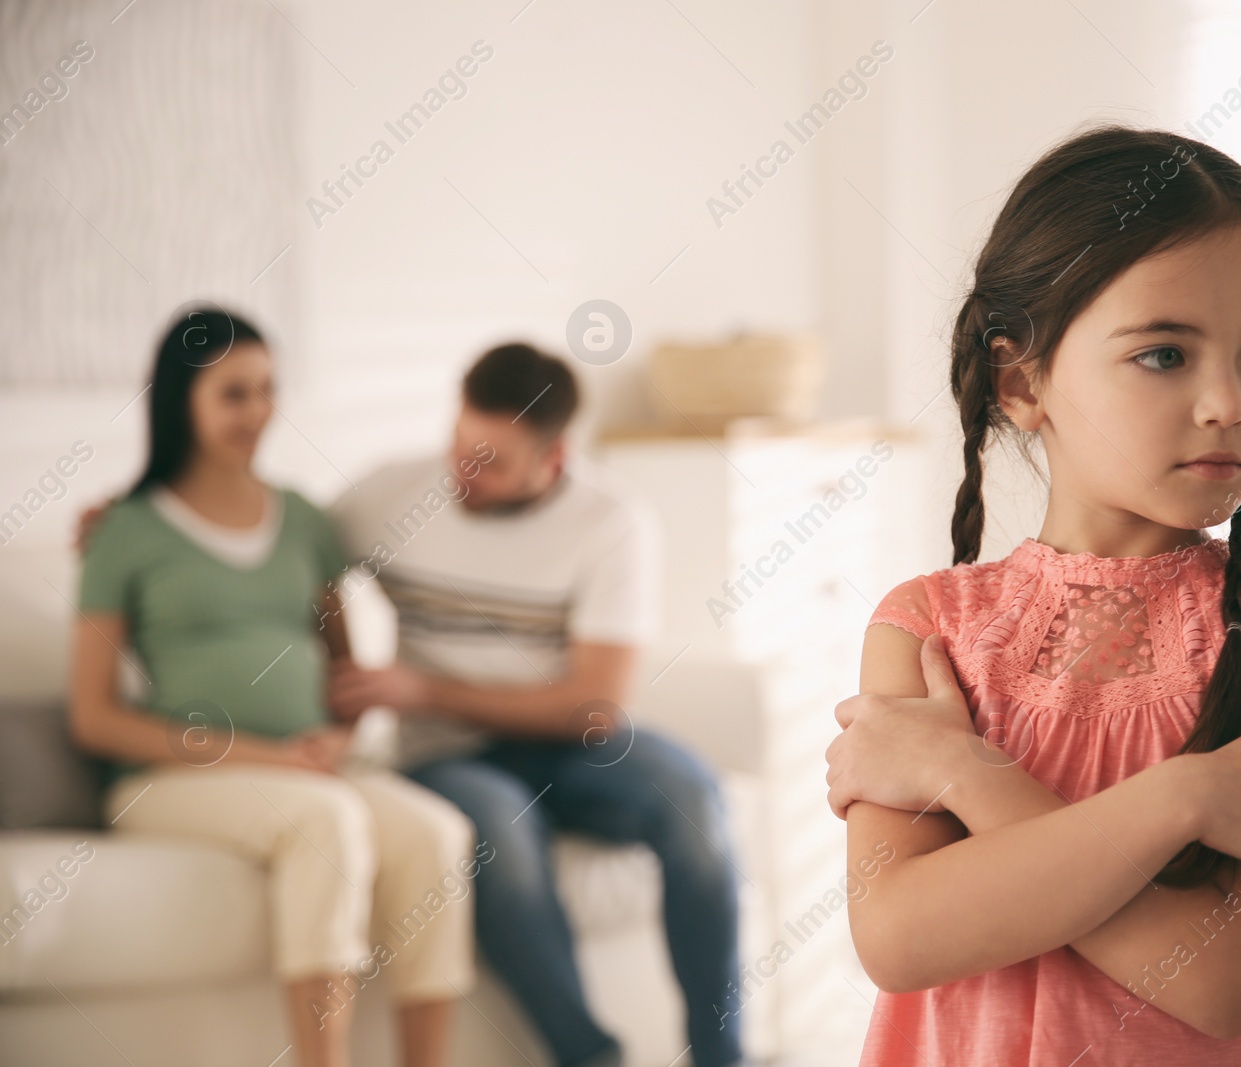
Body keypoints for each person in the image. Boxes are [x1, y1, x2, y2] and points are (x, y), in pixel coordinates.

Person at [823, 125, 1241, 1065]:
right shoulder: (925, 630)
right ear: (1021, 378)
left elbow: (1218, 982)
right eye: (1165, 354)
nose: (1231, 406)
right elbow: (901, 939)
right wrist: (1190, 798)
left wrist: (969, 776)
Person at [70, 308, 477, 1067]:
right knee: (325, 821)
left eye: (267, 390)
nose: (257, 412)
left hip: (305, 765)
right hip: (173, 777)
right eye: (234, 394)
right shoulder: (123, 532)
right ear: (180, 399)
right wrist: (259, 753)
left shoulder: (305, 522)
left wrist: (339, 737)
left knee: (437, 834)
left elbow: (343, 675)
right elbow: (93, 717)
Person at [323, 342, 746, 1067]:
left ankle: (722, 1056)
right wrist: (137, 507)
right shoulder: (388, 496)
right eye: (460, 446)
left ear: (553, 459)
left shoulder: (611, 521)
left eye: (492, 462)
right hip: (443, 757)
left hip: (573, 747)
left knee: (695, 799)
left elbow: (595, 708)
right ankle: (593, 1057)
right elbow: (280, 554)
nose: (464, 472)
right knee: (501, 833)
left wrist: (424, 688)